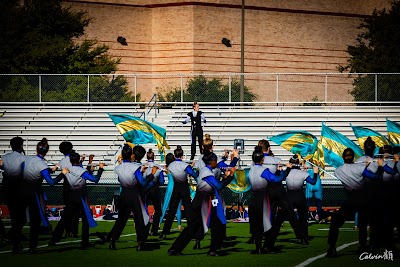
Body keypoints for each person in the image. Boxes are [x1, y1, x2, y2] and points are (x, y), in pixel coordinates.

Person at [168, 151, 236, 256]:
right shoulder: (206, 173)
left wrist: (229, 171)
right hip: (202, 202)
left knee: (212, 224)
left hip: (205, 200)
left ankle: (177, 248)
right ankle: (176, 248)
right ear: (211, 161)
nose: (216, 163)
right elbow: (219, 186)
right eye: (215, 161)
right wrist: (230, 177)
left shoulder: (206, 170)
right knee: (195, 226)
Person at [326, 148, 385, 257]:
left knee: (335, 222)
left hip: (351, 198)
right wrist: (380, 166)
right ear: (353, 157)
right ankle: (364, 246)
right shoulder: (360, 167)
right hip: (363, 198)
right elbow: (376, 177)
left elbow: (351, 172)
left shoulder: (337, 171)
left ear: (343, 157)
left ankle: (332, 248)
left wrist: (364, 167)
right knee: (363, 224)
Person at [14, 138, 67, 253]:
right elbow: (51, 182)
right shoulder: (42, 164)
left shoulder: (27, 159)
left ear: (36, 149)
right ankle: (32, 247)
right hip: (33, 193)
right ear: (46, 151)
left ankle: (15, 244)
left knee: (20, 220)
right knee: (35, 221)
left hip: (21, 191)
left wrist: (49, 171)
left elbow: (27, 171)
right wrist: (62, 174)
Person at [49, 152, 105, 249]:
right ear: (78, 160)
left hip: (71, 196)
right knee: (85, 220)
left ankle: (54, 239)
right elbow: (95, 179)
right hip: (81, 197)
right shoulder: (82, 171)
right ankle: (84, 242)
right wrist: (100, 168)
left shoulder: (67, 170)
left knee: (64, 220)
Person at [107, 145, 158, 251]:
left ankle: (113, 241)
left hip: (124, 193)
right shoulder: (135, 167)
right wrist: (151, 175)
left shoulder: (118, 167)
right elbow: (142, 183)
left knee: (121, 220)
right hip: (134, 194)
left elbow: (120, 180)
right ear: (131, 155)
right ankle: (140, 243)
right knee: (139, 219)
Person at [248, 146, 293, 254]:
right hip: (263, 198)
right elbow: (277, 179)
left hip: (253, 197)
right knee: (268, 223)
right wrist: (287, 169)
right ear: (262, 159)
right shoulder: (263, 170)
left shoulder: (251, 168)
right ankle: (267, 246)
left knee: (257, 224)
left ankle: (258, 248)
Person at [159, 146, 199, 239]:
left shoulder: (170, 166)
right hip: (184, 187)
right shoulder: (184, 165)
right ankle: (192, 230)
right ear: (182, 155)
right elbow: (192, 174)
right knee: (188, 210)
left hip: (176, 188)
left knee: (171, 211)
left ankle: (165, 231)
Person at [285, 155, 318, 243]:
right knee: (303, 217)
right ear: (299, 163)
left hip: (289, 195)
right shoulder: (303, 173)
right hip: (299, 195)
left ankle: (299, 234)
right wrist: (315, 173)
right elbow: (313, 182)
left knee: (291, 217)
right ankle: (304, 237)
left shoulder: (286, 172)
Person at [0, 137, 26, 247]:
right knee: (21, 217)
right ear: (20, 145)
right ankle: (14, 237)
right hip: (18, 188)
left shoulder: (4, 157)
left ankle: (13, 235)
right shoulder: (23, 158)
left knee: (14, 215)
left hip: (7, 187)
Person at [144, 148, 165, 236]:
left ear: (146, 156)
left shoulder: (143, 167)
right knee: (158, 210)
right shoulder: (158, 168)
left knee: (144, 209)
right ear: (154, 157)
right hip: (155, 190)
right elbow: (162, 181)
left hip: (145, 189)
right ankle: (154, 229)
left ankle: (144, 228)